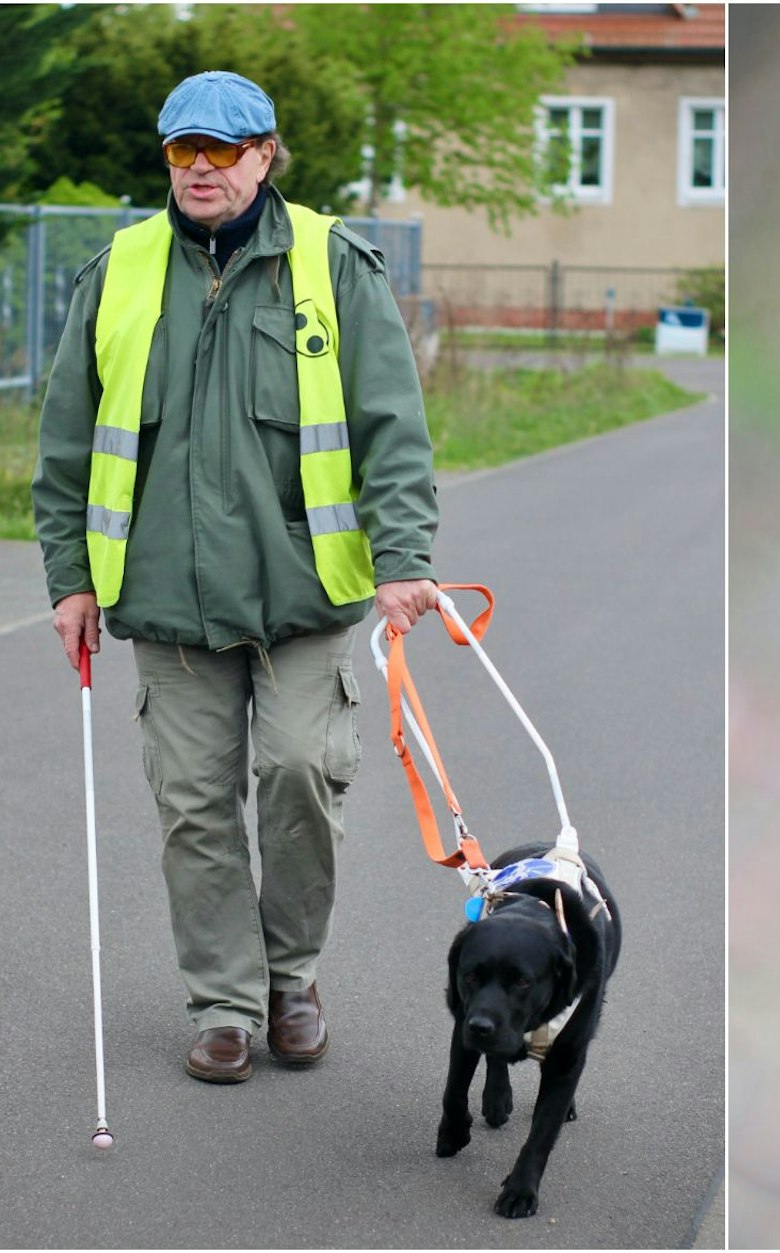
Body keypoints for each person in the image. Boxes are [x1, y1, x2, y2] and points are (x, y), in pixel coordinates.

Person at [31, 70, 440, 1084]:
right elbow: (68, 439)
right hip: (166, 600)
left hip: (302, 595)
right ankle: (223, 1002)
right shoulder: (118, 270)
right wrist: (69, 577)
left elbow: (392, 425)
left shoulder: (332, 264)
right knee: (193, 806)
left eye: (223, 149)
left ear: (266, 154)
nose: (202, 168)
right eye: (183, 150)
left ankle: (290, 978)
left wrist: (403, 561)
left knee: (301, 770)